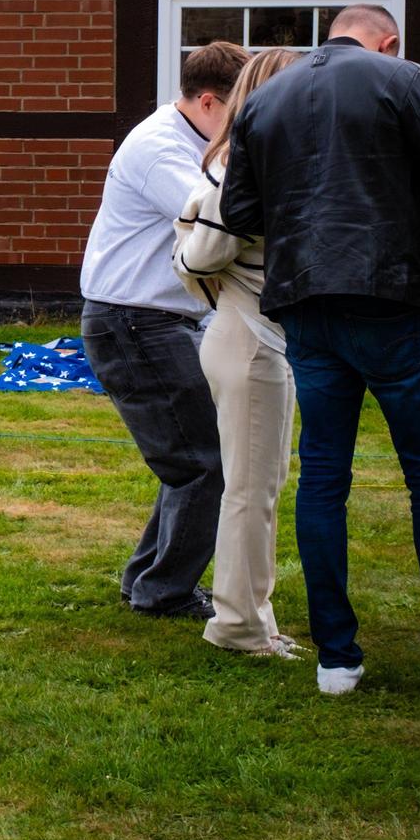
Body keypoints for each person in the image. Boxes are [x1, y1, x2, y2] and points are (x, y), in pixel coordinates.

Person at [222, 4, 420, 702]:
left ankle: (336, 659)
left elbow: (239, 213)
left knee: (323, 477)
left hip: (304, 300)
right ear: (388, 38)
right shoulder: (402, 78)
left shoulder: (265, 92)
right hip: (393, 296)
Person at [79, 41, 248, 620]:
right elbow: (219, 218)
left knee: (192, 456)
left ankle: (150, 579)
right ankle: (164, 591)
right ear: (207, 102)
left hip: (150, 319)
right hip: (135, 322)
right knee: (204, 461)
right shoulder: (160, 149)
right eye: (240, 111)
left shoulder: (192, 138)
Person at [172, 48, 302, 658]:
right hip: (247, 335)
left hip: (258, 333)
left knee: (261, 487)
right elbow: (200, 258)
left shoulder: (261, 157)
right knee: (250, 491)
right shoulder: (237, 161)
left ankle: (252, 617)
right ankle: (238, 625)